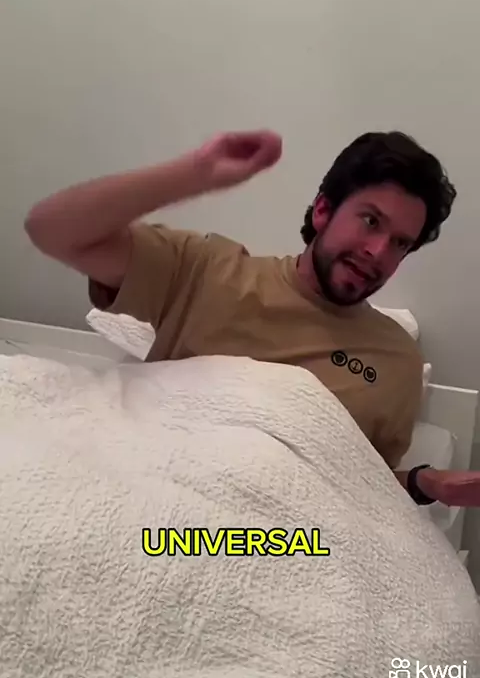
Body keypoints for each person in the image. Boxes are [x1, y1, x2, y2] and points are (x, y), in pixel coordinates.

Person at [24, 129, 480, 509]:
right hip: (152, 507)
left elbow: (363, 490)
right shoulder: (205, 270)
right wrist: (195, 174)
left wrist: (425, 483)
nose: (378, 251)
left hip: (283, 543)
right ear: (324, 210)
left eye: (400, 243)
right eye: (371, 221)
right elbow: (50, 231)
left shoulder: (396, 362)